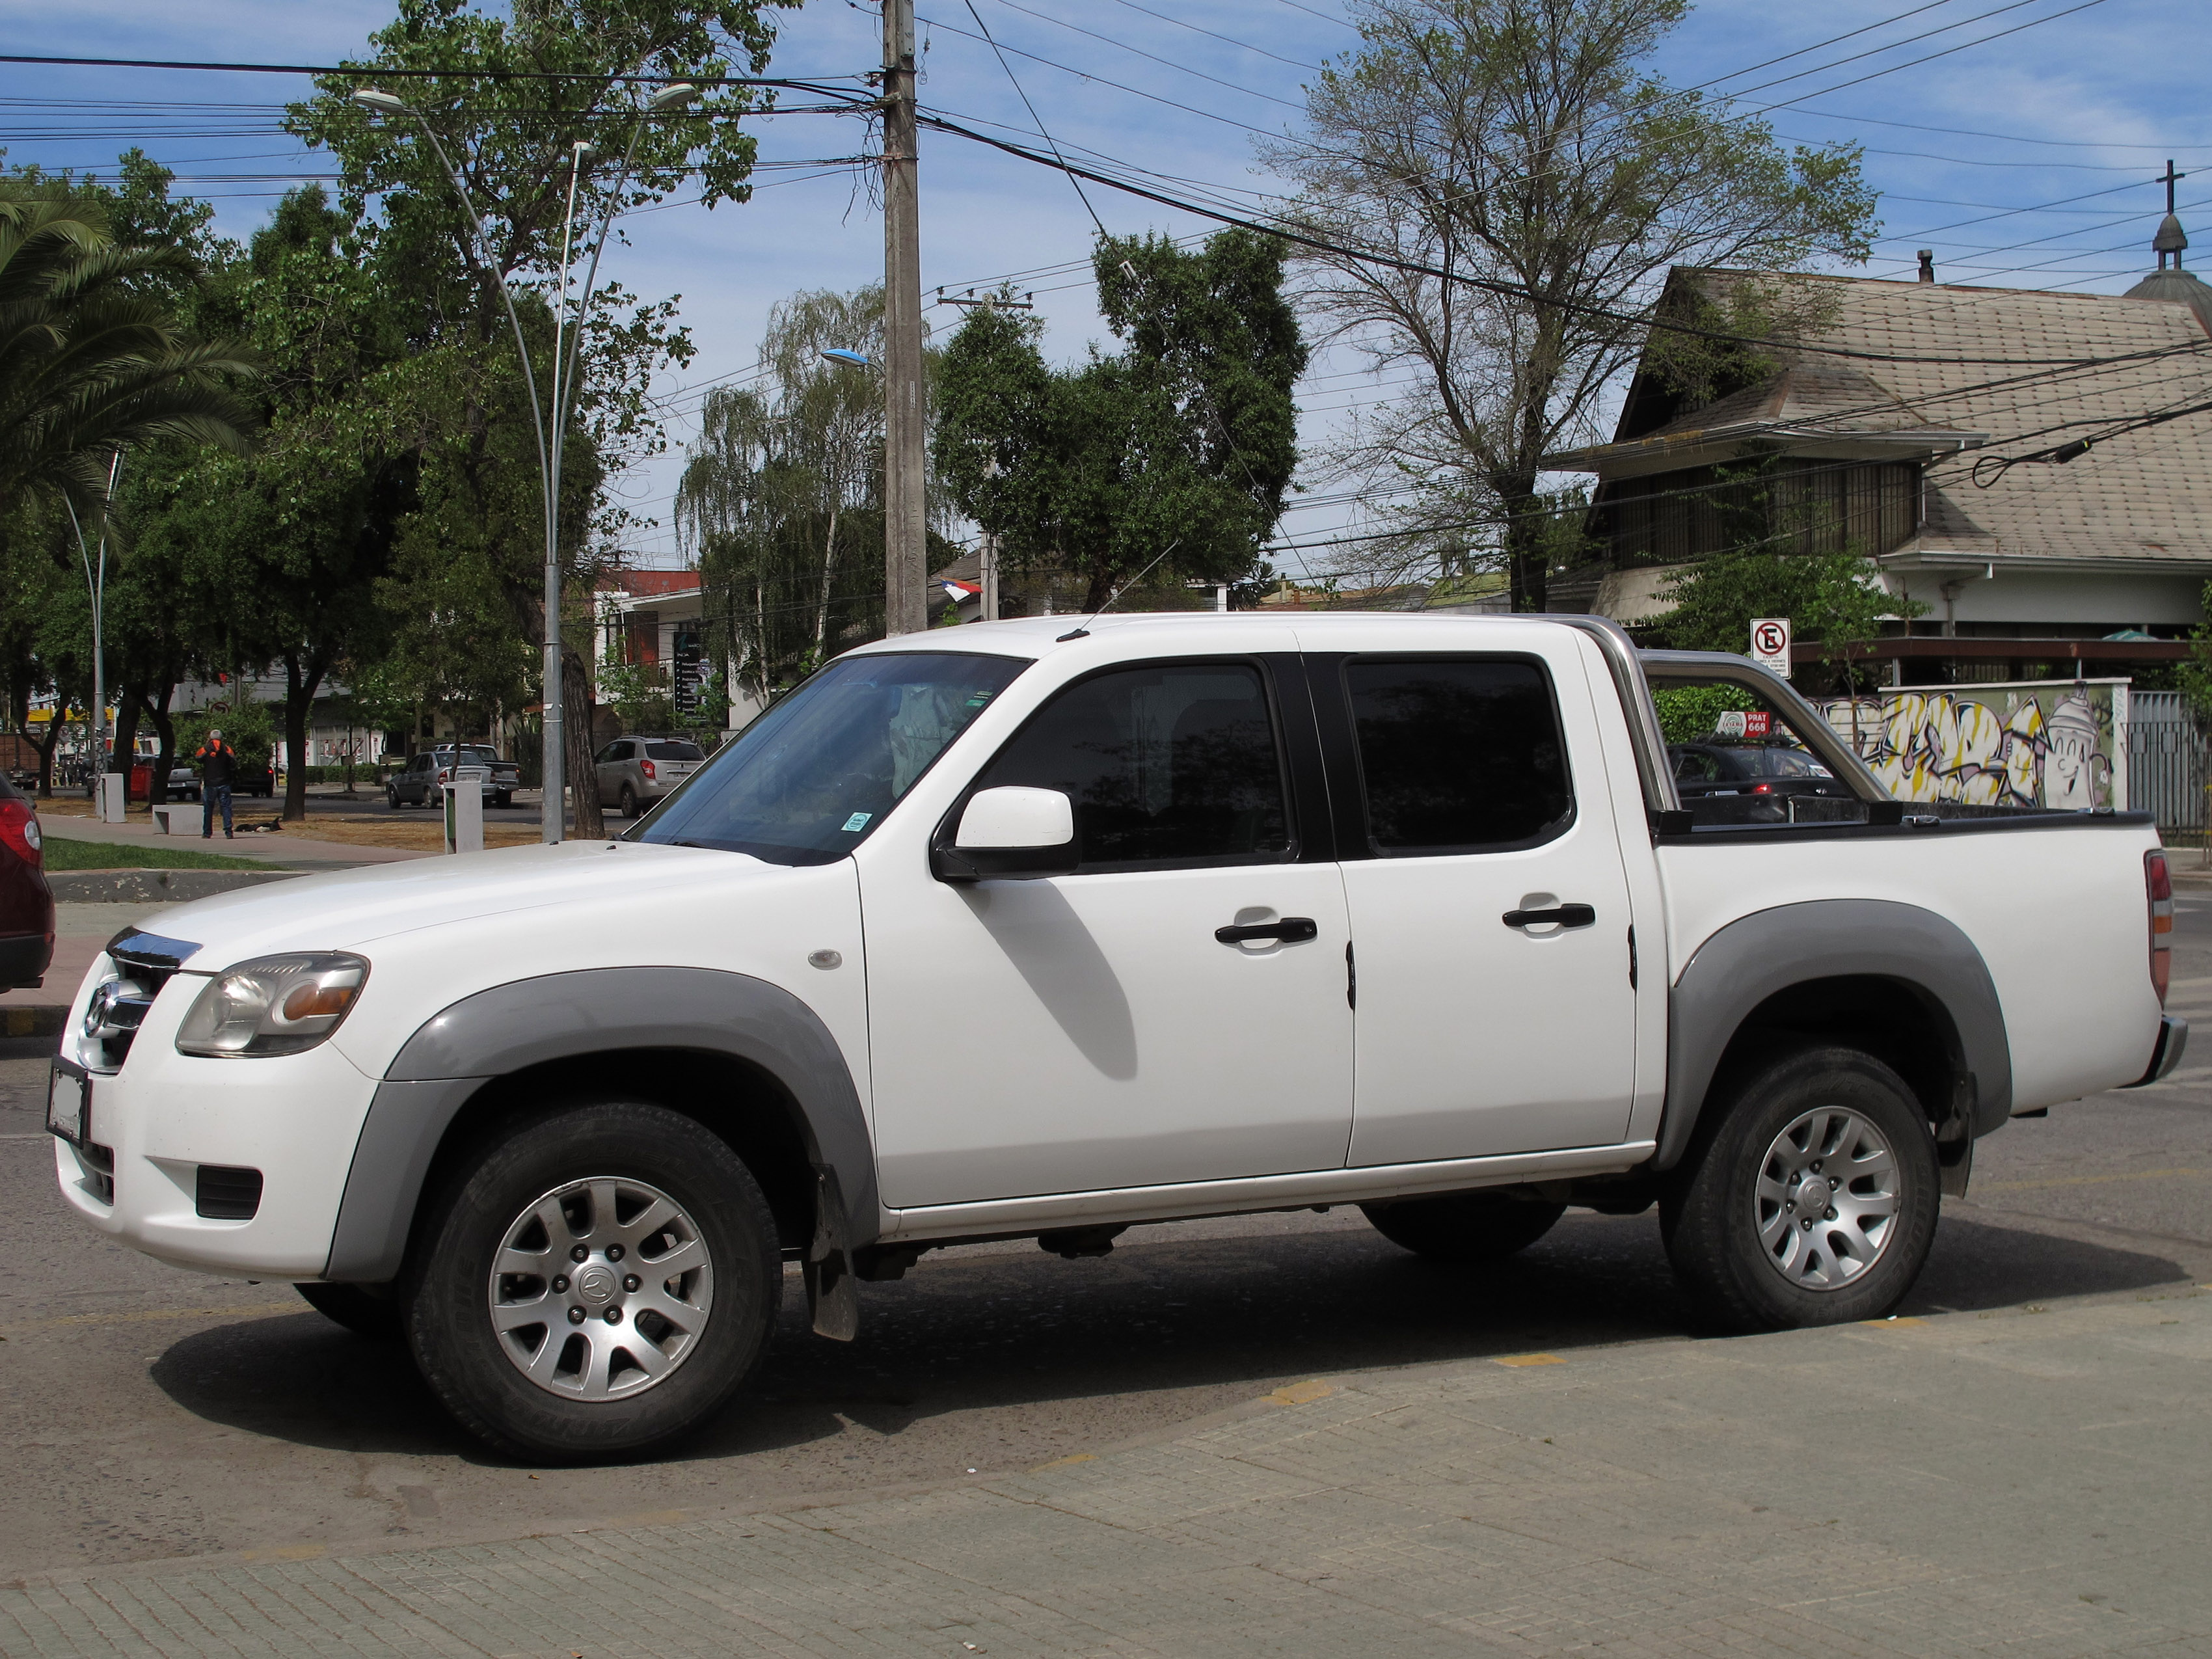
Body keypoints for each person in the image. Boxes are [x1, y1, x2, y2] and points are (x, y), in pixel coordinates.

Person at [195, 729, 237, 839]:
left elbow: (198, 758)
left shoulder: (205, 749)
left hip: (210, 784)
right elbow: (233, 761)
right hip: (224, 783)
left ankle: (207, 833)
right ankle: (228, 832)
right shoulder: (227, 749)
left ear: (210, 737)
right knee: (226, 808)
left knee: (208, 809)